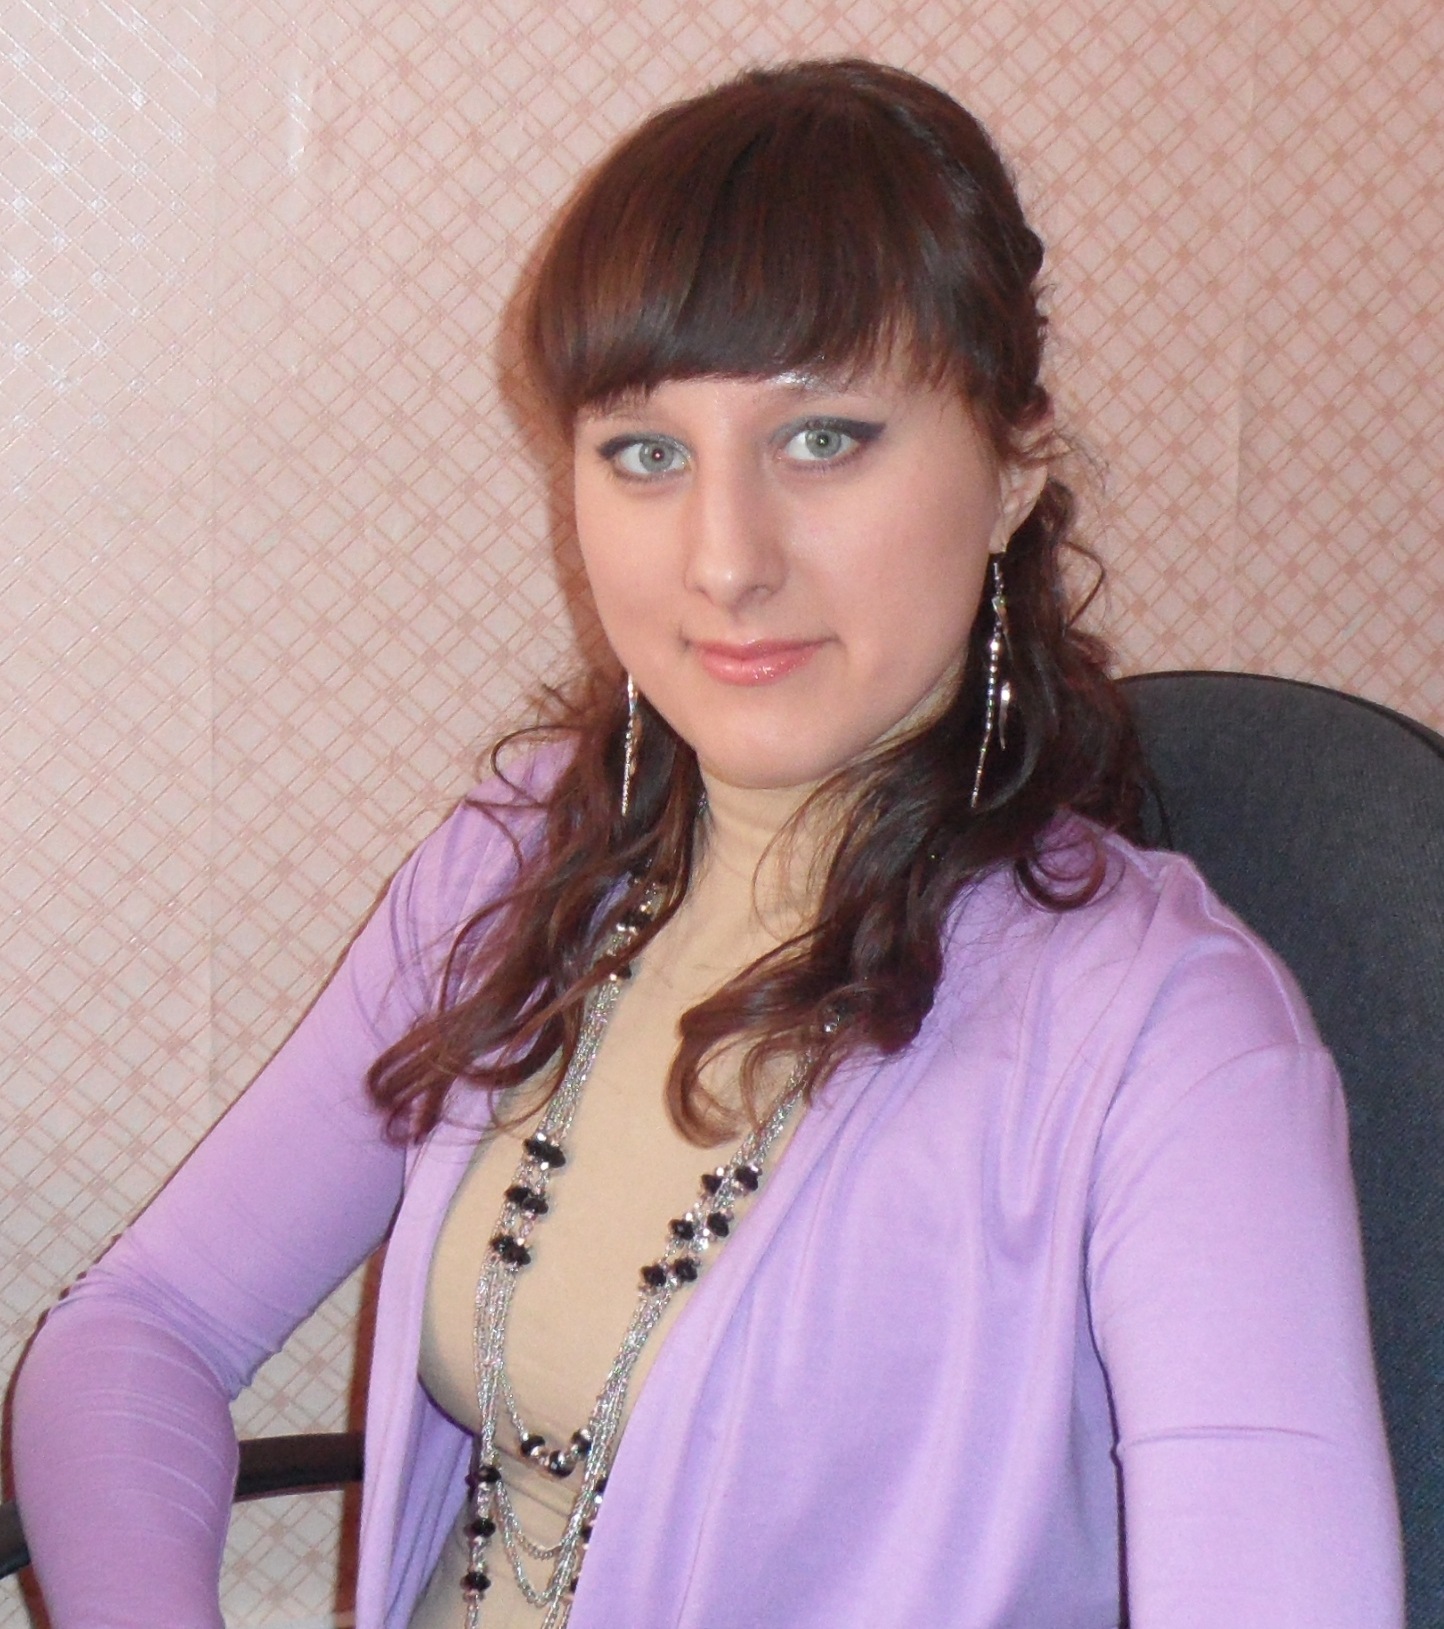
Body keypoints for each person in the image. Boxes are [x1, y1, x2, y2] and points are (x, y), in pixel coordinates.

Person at [12, 58, 1403, 1629]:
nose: (725, 559)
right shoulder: (511, 873)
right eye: (645, 453)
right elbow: (140, 1327)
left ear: (1013, 463)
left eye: (825, 439)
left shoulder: (1167, 1038)